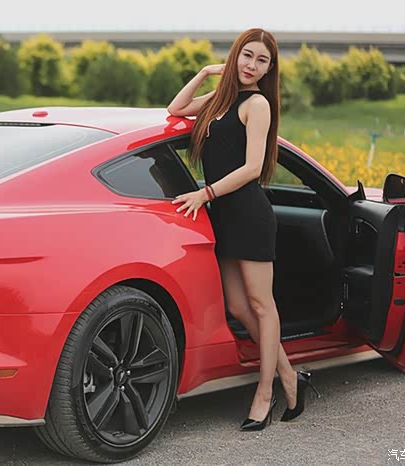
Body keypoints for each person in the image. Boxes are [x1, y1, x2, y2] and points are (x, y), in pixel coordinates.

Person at [167, 28, 318, 431]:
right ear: (235, 56)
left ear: (270, 69)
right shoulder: (220, 99)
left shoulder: (257, 104)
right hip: (223, 215)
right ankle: (290, 376)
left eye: (261, 60)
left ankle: (264, 393)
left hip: (249, 214)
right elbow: (176, 109)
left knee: (262, 305)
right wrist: (205, 72)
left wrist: (205, 193)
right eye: (246, 55)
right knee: (237, 306)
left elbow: (253, 167)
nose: (252, 65)